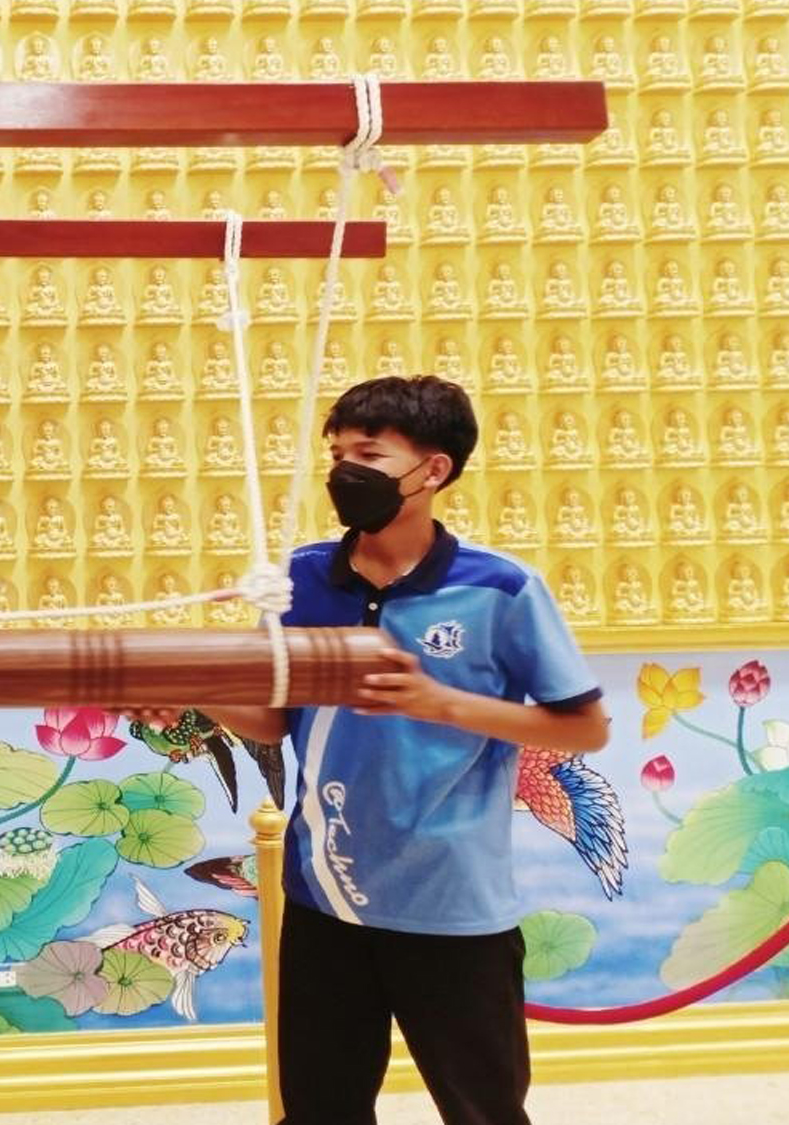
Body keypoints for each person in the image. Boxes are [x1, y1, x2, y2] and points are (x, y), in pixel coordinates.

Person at [142, 375, 609, 1125]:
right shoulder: (300, 577)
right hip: (324, 899)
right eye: (336, 453)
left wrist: (442, 702)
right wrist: (195, 693)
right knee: (321, 1109)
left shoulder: (502, 588)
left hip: (454, 907)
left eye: (367, 452)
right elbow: (274, 721)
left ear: (434, 470)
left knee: (484, 1109)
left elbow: (583, 728)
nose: (343, 471)